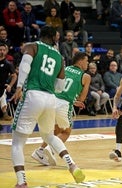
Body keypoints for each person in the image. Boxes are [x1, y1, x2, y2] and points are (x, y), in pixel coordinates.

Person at [10, 26, 85, 188]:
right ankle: (72, 165)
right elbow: (60, 87)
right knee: (49, 135)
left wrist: (19, 86)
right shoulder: (59, 57)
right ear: (53, 38)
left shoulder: (32, 46)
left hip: (32, 94)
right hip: (51, 98)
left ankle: (22, 181)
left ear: (41, 35)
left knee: (17, 142)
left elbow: (25, 65)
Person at [31, 51, 90, 166]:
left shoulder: (64, 69)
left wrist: (73, 100)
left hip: (51, 100)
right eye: (86, 61)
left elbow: (55, 85)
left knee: (56, 130)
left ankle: (40, 151)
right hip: (64, 105)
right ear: (81, 60)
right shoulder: (86, 76)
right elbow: (82, 98)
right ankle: (50, 148)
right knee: (66, 132)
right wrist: (75, 99)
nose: (87, 64)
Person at [0, 43, 17, 121]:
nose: (2, 51)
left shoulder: (8, 64)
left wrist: (10, 85)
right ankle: (4, 113)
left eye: (3, 50)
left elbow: (14, 75)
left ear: (6, 51)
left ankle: (5, 113)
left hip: (2, 87)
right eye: (0, 50)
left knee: (2, 94)